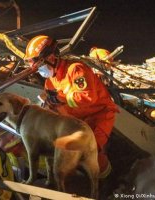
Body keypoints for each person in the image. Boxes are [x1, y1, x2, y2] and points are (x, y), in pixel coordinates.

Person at [24, 35, 119, 178]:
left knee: (91, 151)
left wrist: (59, 98)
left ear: (51, 58)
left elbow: (87, 97)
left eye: (40, 65)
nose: (39, 70)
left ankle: (106, 179)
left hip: (99, 116)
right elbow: (53, 104)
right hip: (76, 121)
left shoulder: (76, 69)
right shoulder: (50, 82)